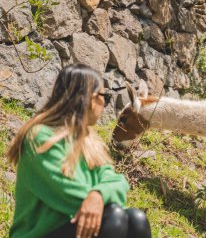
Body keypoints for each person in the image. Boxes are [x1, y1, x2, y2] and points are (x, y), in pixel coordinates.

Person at [7, 64, 151, 238]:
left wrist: (98, 194)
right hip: (40, 234)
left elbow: (117, 181)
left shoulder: (89, 141)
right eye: (105, 97)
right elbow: (70, 195)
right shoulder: (40, 138)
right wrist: (97, 197)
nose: (105, 105)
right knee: (114, 217)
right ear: (88, 98)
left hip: (71, 228)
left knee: (137, 219)